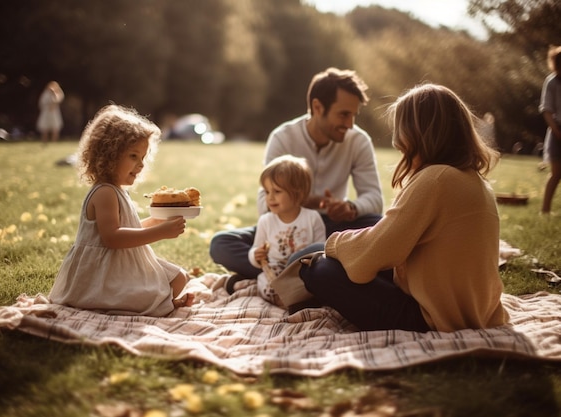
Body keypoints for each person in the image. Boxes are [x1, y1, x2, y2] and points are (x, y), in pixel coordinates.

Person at [298, 84, 508, 333]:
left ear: (417, 131)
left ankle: (298, 280)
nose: (397, 139)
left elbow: (380, 248)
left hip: (432, 318)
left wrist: (333, 245)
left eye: (400, 128)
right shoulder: (473, 180)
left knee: (318, 268)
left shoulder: (435, 179)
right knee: (318, 252)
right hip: (471, 310)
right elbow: (390, 247)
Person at [210, 67, 383, 292]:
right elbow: (265, 205)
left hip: (333, 231)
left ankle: (280, 274)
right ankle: (317, 274)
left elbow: (375, 198)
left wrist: (350, 207)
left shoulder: (358, 141)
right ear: (318, 107)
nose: (350, 124)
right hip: (285, 228)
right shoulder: (283, 138)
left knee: (380, 225)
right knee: (222, 244)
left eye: (353, 115)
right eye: (343, 114)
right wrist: (305, 201)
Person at [49, 104, 195, 316]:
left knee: (179, 278)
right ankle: (143, 303)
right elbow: (113, 238)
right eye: (133, 156)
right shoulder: (105, 193)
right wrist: (160, 233)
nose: (141, 165)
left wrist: (156, 221)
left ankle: (162, 302)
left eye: (143, 158)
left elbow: (128, 228)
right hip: (104, 274)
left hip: (122, 264)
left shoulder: (116, 191)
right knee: (163, 286)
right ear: (109, 154)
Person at [248, 155, 326, 305]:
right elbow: (255, 249)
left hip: (302, 270)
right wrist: (255, 255)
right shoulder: (266, 220)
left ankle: (298, 298)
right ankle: (284, 300)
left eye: (277, 191)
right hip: (277, 270)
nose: (270, 198)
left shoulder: (312, 218)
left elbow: (322, 250)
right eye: (266, 191)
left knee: (316, 282)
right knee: (266, 282)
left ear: (299, 193)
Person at [540, 45, 561, 215]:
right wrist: (557, 132)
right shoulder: (552, 81)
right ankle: (545, 210)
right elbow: (547, 110)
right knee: (556, 174)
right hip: (557, 131)